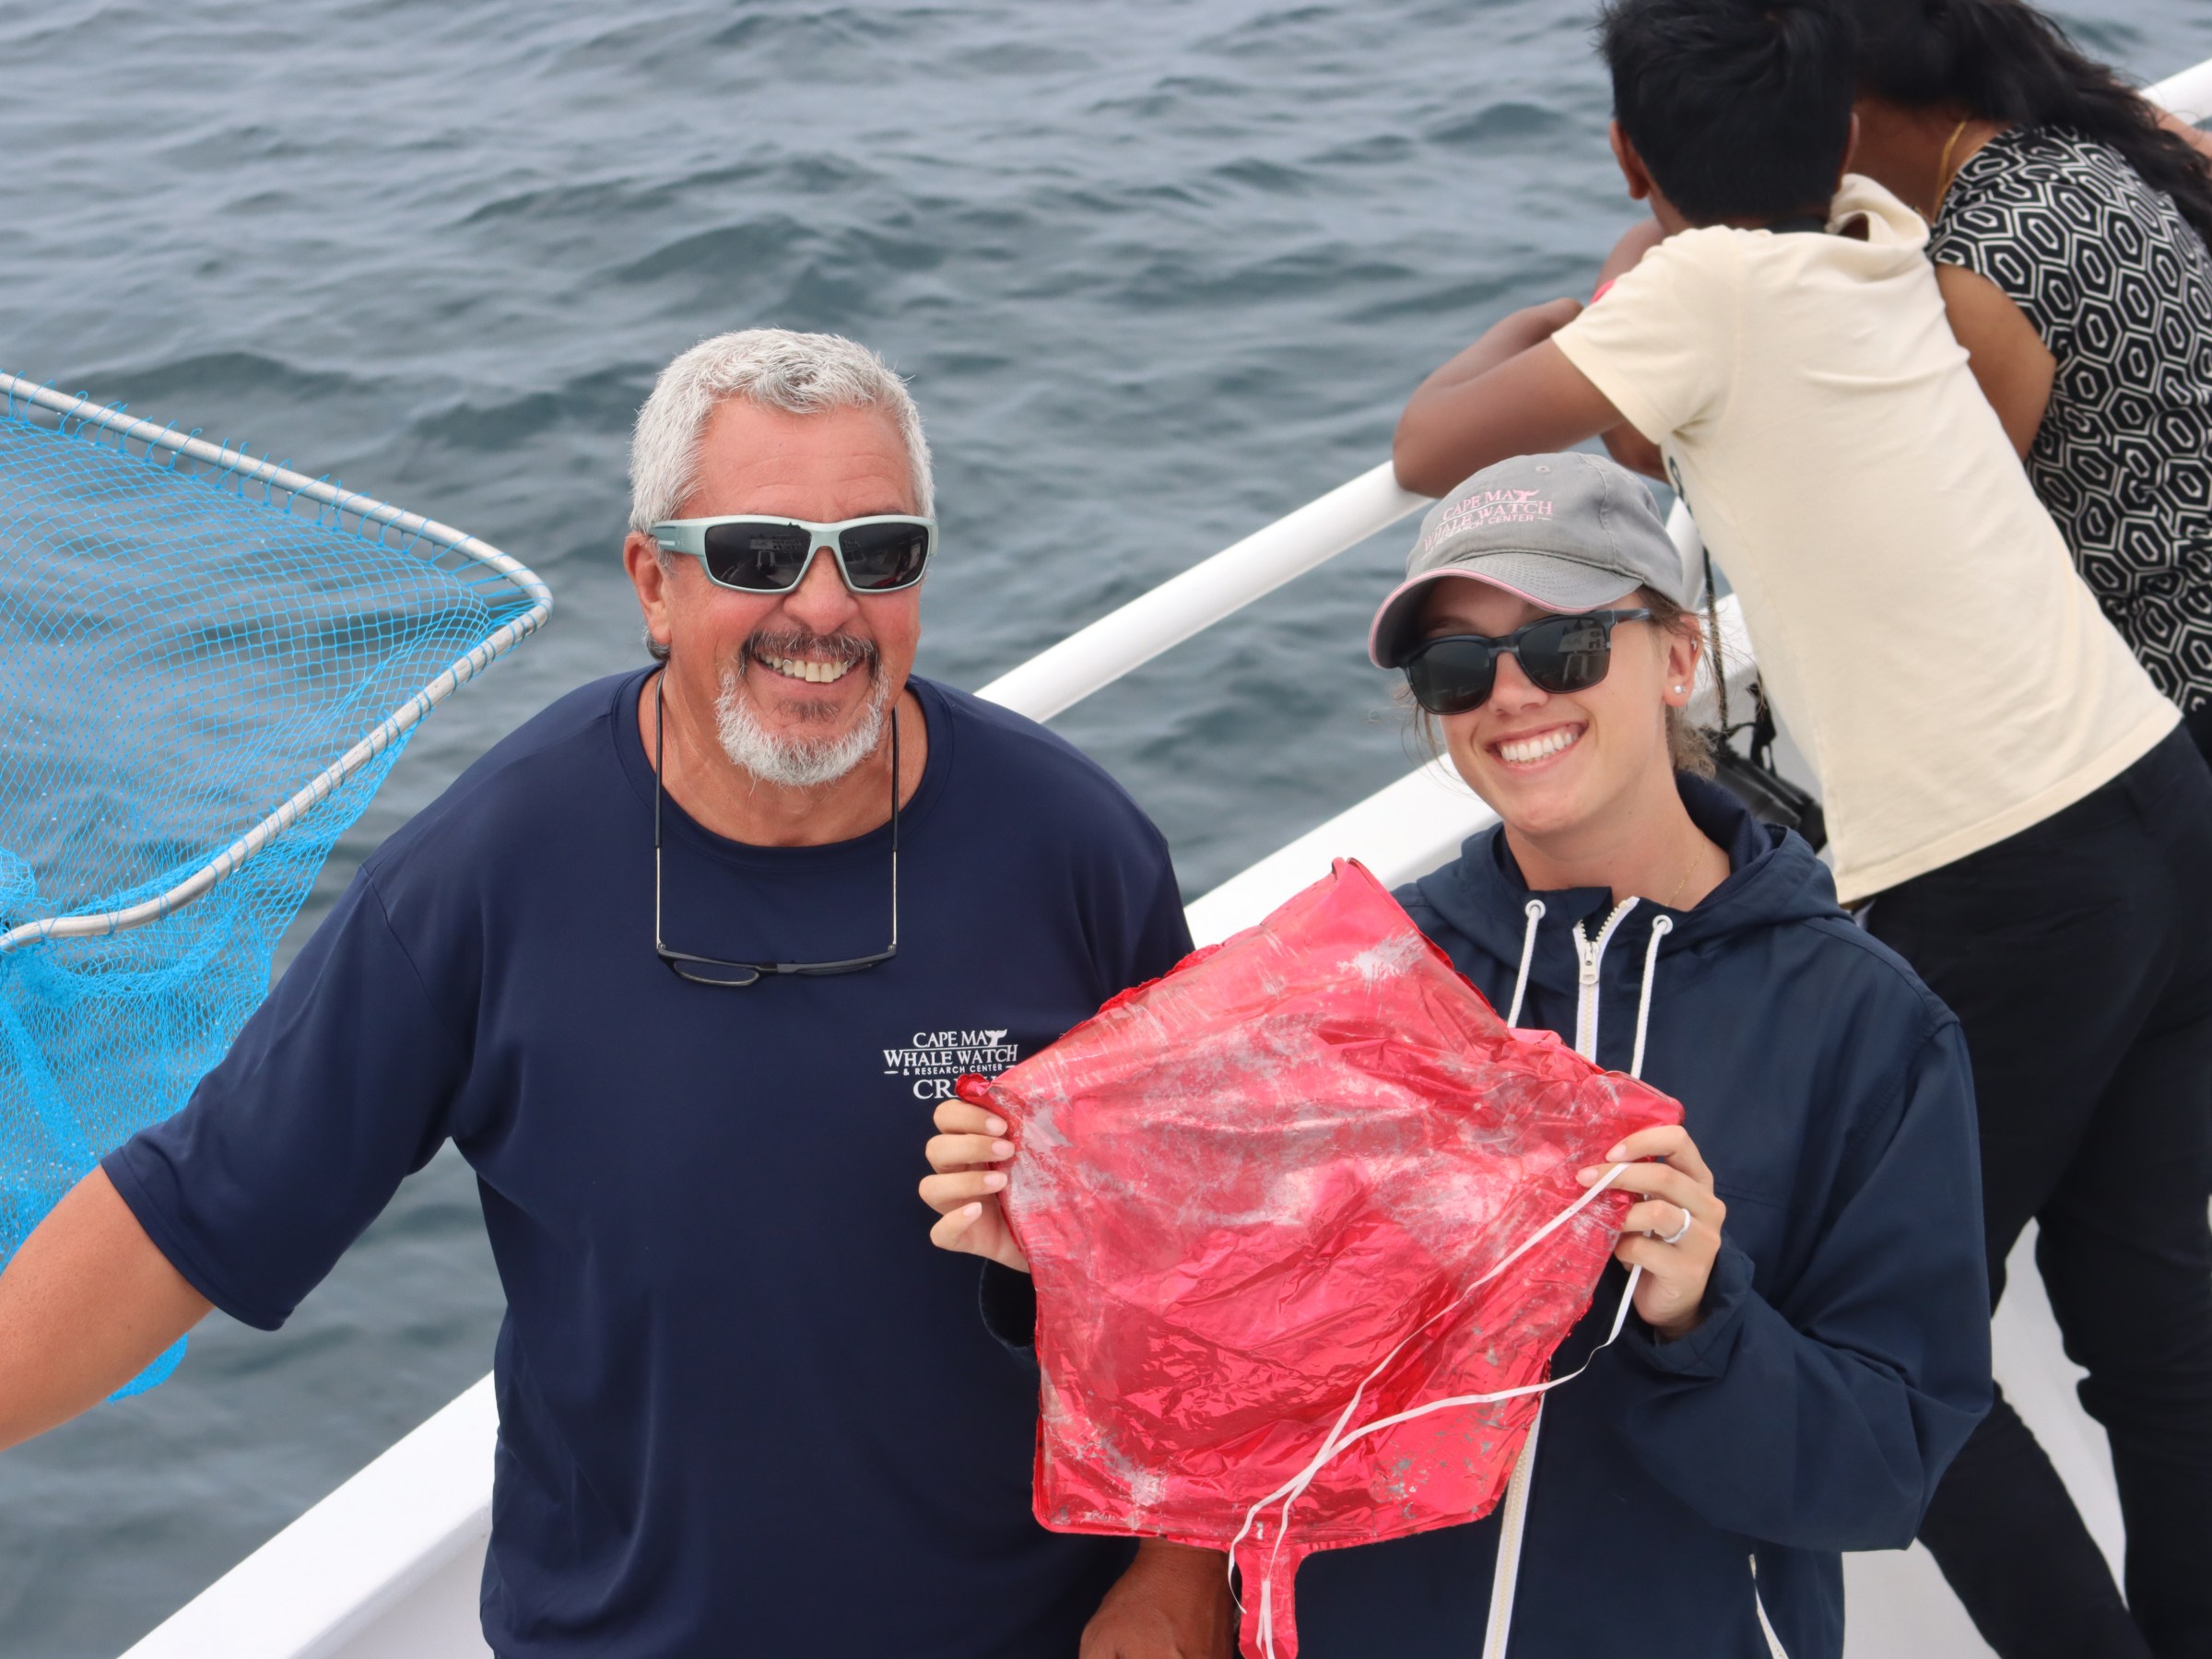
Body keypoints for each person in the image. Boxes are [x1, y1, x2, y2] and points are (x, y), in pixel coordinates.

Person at [0, 328, 1216, 1658]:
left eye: (879, 552)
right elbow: (191, 1210)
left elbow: (1218, 1259)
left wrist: (1177, 1580)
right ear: (651, 579)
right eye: (759, 555)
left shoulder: (1080, 856)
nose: (823, 610)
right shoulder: (484, 876)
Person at [1392, 6, 2212, 1656]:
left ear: (1635, 156)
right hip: (2159, 794)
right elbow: (1670, 422)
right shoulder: (1876, 242)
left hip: (2000, 868)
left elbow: (1435, 448)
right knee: (2155, 1330)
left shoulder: (1692, 300)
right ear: (1837, 126)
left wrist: (1551, 314)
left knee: (1885, 1352)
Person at [923, 453, 1993, 1659]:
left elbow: (1884, 1473)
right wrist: (1067, 1248)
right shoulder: (1356, 978)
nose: (1513, 695)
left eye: (1565, 645)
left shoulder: (1868, 1027)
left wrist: (1698, 1310)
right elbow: (1234, 1351)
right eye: (1458, 666)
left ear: (1680, 656)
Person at [1850, 0, 2212, 766]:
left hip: (2172, 683)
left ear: (1852, 105)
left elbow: (1936, 547)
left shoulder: (1988, 264)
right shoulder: (2088, 130)